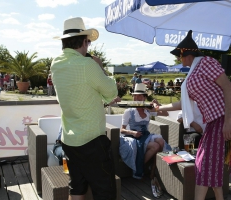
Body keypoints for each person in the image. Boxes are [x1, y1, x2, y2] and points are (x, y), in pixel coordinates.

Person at [149, 30, 231, 200]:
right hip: (214, 122)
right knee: (207, 163)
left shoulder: (205, 62)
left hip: (222, 118)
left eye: (179, 55)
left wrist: (228, 120)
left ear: (188, 53)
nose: (179, 59)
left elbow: (228, 87)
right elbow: (182, 104)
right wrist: (159, 108)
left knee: (204, 164)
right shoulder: (193, 71)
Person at [51, 17, 118, 200]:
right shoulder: (88, 65)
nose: (88, 45)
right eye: (88, 41)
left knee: (77, 188)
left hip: (69, 139)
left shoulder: (56, 64)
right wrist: (100, 67)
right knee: (105, 191)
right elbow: (111, 92)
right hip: (92, 141)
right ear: (83, 41)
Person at [119, 83, 171, 198]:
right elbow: (122, 130)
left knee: (161, 142)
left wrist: (158, 105)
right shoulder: (129, 111)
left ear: (144, 98)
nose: (137, 98)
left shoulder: (148, 110)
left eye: (140, 96)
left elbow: (166, 113)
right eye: (135, 96)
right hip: (134, 136)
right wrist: (133, 133)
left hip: (146, 135)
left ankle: (154, 170)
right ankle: (141, 168)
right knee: (155, 146)